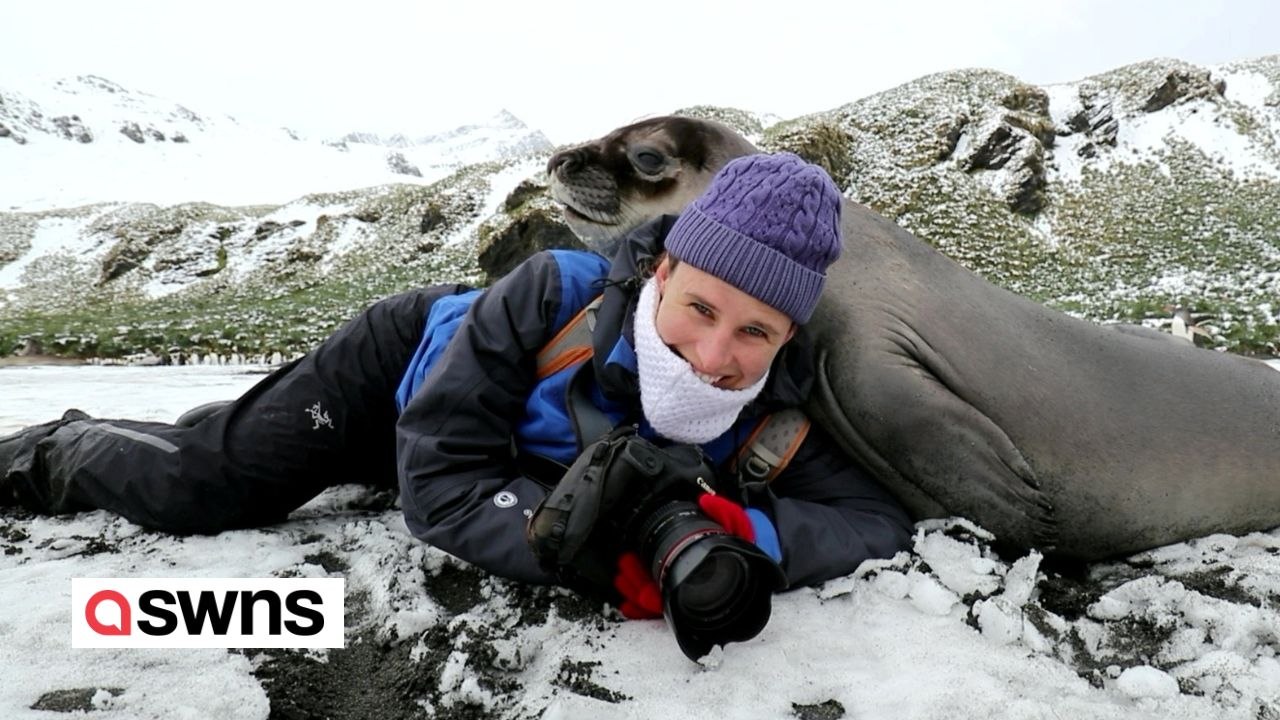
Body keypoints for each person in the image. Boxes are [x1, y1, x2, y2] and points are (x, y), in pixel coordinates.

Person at [0, 153, 912, 620]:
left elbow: (873, 519)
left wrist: (737, 533)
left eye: (756, 331)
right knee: (205, 482)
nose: (715, 356)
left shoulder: (778, 414)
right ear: (664, 269)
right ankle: (46, 448)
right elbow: (438, 487)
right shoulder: (554, 291)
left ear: (790, 333)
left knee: (248, 444)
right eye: (701, 308)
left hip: (488, 454)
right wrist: (584, 551)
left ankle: (237, 428)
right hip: (395, 382)